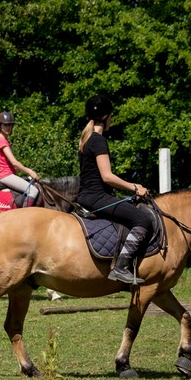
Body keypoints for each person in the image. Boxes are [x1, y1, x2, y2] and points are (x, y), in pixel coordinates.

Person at [77, 94, 152, 284]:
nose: (112, 119)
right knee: (142, 219)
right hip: (96, 198)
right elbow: (107, 176)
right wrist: (135, 188)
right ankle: (121, 267)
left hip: (88, 196)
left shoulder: (86, 139)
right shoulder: (98, 140)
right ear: (106, 117)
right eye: (111, 116)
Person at [0, 111, 39, 206]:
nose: (8, 127)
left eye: (10, 125)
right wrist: (29, 171)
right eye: (5, 125)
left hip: (5, 174)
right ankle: (24, 216)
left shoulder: (1, 139)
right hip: (5, 175)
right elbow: (14, 162)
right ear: (0, 125)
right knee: (33, 191)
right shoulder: (1, 140)